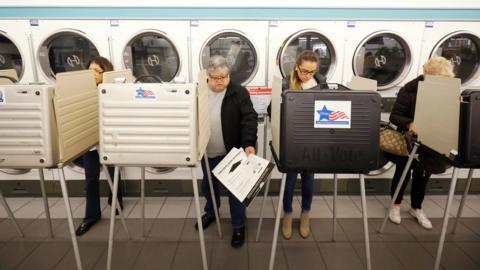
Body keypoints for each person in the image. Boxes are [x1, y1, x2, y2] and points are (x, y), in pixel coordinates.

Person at [195, 55, 258, 248]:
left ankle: (239, 225)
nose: (220, 81)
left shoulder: (238, 92)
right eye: (215, 77)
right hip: (208, 152)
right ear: (207, 75)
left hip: (232, 153)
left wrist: (248, 142)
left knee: (235, 191)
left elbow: (249, 118)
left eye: (224, 76)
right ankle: (212, 213)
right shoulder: (198, 91)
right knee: (209, 186)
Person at [388, 56, 455, 230]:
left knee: (423, 175)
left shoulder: (449, 92)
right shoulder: (409, 90)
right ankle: (395, 205)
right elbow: (394, 116)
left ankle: (416, 207)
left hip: (432, 140)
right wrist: (410, 123)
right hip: (409, 140)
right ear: (427, 75)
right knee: (403, 173)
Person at [279, 50, 327, 240]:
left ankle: (306, 214)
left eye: (311, 72)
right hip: (291, 141)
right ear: (297, 66)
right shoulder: (285, 82)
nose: (307, 75)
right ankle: (288, 215)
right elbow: (273, 110)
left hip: (312, 140)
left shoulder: (322, 83)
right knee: (289, 182)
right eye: (304, 71)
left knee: (308, 180)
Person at [75, 56, 124, 236]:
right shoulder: (80, 92)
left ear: (106, 74)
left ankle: (116, 201)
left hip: (108, 140)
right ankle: (91, 215)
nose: (94, 74)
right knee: (90, 178)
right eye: (91, 70)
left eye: (98, 71)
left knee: (114, 172)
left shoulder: (113, 91)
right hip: (90, 142)